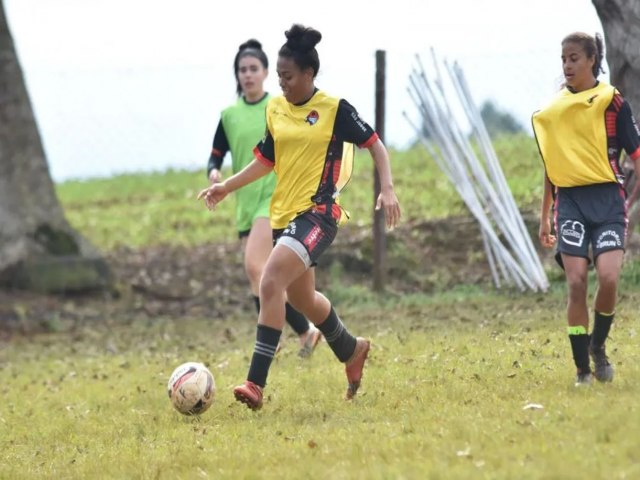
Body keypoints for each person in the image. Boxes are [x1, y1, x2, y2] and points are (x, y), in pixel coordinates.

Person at [198, 24, 401, 410]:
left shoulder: (333, 109)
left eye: (288, 77)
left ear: (309, 74)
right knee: (303, 298)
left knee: (270, 280)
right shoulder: (275, 108)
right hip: (283, 216)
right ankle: (351, 349)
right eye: (279, 77)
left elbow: (375, 145)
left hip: (319, 214)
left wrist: (387, 187)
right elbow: (265, 159)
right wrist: (228, 186)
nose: (282, 84)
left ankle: (255, 384)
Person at [532, 32, 640, 386]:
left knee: (608, 278)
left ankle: (598, 346)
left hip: (609, 201)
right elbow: (552, 167)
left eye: (574, 58)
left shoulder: (613, 103)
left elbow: (637, 157)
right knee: (576, 283)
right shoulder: (554, 111)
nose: (567, 65)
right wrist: (546, 215)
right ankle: (582, 369)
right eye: (563, 58)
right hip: (572, 204)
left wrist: (630, 197)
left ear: (593, 59)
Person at [206, 38, 322, 358]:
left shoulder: (280, 106)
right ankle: (305, 332)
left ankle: (275, 338)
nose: (248, 74)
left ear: (267, 72)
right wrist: (214, 173)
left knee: (256, 267)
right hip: (244, 199)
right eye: (242, 70)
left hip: (273, 198)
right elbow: (216, 154)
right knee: (256, 277)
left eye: (253, 68)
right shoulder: (229, 114)